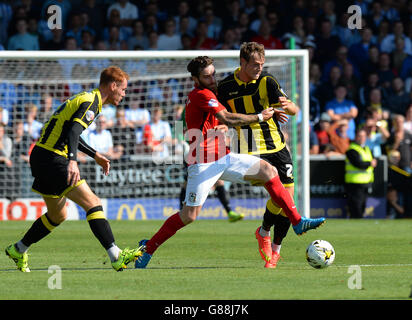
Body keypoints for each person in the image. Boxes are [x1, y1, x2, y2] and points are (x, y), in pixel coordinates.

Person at [134, 56, 325, 269]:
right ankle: (148, 248)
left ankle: (298, 222)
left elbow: (226, 119)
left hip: (224, 158)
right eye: (206, 76)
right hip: (203, 164)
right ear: (195, 79)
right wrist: (260, 117)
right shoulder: (201, 94)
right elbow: (227, 118)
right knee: (188, 216)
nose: (212, 78)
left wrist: (260, 115)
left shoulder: (212, 93)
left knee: (268, 170)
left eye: (213, 73)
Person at [5, 66, 144, 272]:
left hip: (42, 156)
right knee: (93, 203)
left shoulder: (87, 97)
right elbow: (73, 131)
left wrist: (95, 155)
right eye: (123, 89)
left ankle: (18, 249)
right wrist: (72, 160)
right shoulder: (92, 102)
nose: (124, 94)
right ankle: (116, 255)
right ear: (113, 86)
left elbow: (71, 131)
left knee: (58, 215)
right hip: (54, 158)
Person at [217, 42, 302, 268]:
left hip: (277, 147)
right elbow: (221, 117)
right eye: (255, 64)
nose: (259, 68)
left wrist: (289, 105)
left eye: (262, 64)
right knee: (279, 196)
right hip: (250, 150)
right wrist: (222, 128)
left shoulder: (268, 81)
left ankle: (273, 248)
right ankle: (264, 233)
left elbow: (294, 110)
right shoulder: (225, 86)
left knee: (287, 199)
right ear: (242, 62)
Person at [344, 128, 377, 218]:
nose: (362, 138)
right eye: (359, 136)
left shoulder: (366, 148)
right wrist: (370, 163)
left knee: (362, 205)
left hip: (366, 182)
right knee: (356, 206)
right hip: (355, 182)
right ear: (355, 137)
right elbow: (358, 163)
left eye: (363, 136)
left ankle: (359, 221)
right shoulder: (352, 149)